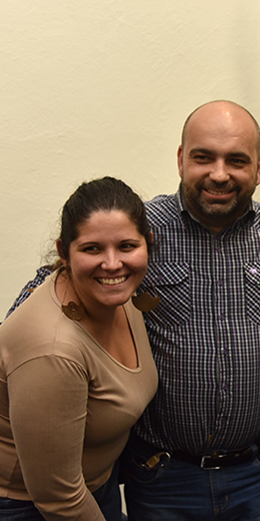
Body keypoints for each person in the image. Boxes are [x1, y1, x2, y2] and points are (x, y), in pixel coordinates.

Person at [118, 101, 260, 520]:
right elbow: (71, 274)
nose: (219, 173)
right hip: (163, 477)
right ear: (180, 159)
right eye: (203, 157)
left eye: (237, 160)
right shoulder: (139, 233)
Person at [0, 177, 158, 520]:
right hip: (28, 506)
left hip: (96, 486)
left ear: (148, 244)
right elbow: (59, 498)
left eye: (127, 246)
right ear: (63, 252)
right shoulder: (52, 349)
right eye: (92, 249)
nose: (113, 264)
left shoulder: (117, 297)